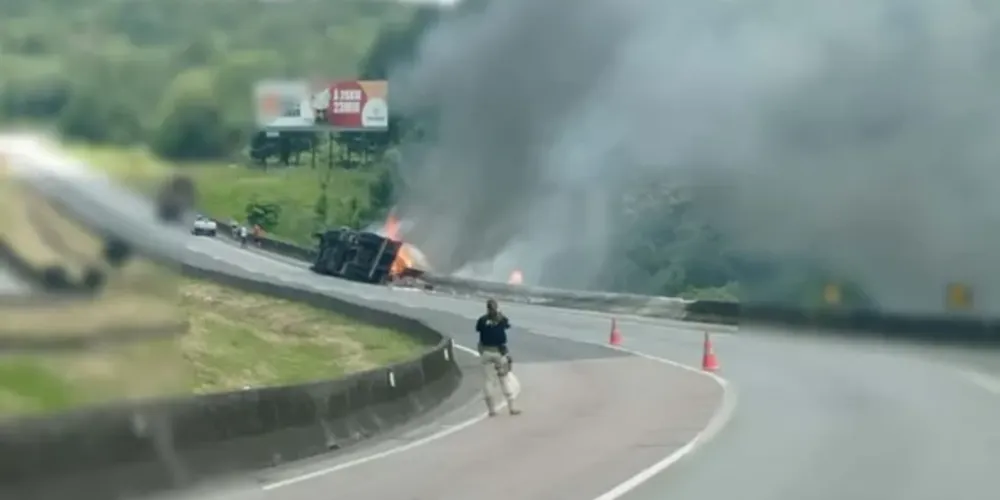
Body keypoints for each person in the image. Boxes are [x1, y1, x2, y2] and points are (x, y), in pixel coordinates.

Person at [475, 298, 521, 416]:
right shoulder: (501, 320)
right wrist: (500, 315)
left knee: (489, 381)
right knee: (504, 379)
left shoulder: (482, 320)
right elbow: (507, 325)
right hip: (499, 353)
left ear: (487, 308)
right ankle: (512, 407)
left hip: (486, 352)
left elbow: (479, 330)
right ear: (496, 308)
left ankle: (491, 410)